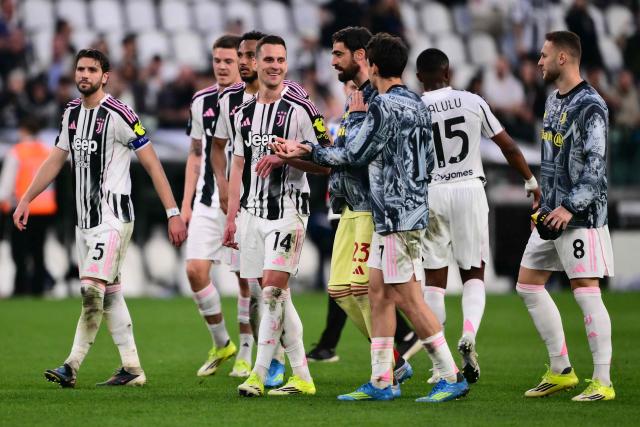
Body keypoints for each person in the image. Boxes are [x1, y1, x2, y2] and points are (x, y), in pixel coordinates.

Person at [272, 33, 469, 403]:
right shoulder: (416, 102)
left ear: (373, 66)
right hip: (399, 212)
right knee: (376, 293)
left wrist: (304, 148)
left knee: (408, 298)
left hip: (393, 215)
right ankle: (382, 379)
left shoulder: (383, 108)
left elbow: (354, 154)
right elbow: (428, 160)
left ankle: (450, 373)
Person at [12, 49, 187, 387]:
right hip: (85, 223)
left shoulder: (120, 114)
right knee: (110, 295)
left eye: (92, 70)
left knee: (91, 291)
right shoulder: (71, 114)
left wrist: (173, 213)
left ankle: (71, 365)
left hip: (113, 218)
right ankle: (132, 369)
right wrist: (26, 198)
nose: (84, 75)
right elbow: (55, 159)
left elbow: (152, 163)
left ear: (105, 76)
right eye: (80, 69)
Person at [416, 48, 541, 384]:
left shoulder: (415, 108)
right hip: (470, 189)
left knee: (435, 283)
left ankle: (438, 364)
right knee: (473, 276)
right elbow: (509, 146)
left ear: (419, 78)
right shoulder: (472, 101)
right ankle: (469, 333)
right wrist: (531, 181)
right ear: (449, 73)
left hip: (433, 193)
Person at [302, 27, 415, 390]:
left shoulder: (377, 100)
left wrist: (307, 151)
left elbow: (356, 153)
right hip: (347, 205)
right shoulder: (356, 97)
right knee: (339, 289)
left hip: (371, 205)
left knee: (362, 287)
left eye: (338, 54)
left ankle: (387, 366)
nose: (333, 61)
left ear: (361, 56)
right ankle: (395, 356)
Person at [222, 35, 331, 397]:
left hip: (288, 211)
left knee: (270, 291)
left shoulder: (302, 109)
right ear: (255, 62)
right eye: (267, 59)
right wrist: (231, 218)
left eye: (280, 60)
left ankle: (258, 373)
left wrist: (287, 157)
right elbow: (236, 166)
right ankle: (302, 376)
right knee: (276, 295)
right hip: (253, 215)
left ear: (286, 63)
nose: (274, 66)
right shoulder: (242, 114)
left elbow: (328, 162)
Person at [517, 30, 615, 401]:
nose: (538, 62)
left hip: (580, 216)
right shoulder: (553, 100)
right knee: (527, 283)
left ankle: (603, 382)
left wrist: (569, 206)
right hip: (551, 214)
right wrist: (544, 198)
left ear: (563, 58)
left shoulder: (591, 105)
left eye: (544, 55)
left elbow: (595, 169)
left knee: (586, 292)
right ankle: (561, 370)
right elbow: (552, 157)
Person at [182, 34, 255, 378]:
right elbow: (196, 155)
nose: (223, 67)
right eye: (217, 61)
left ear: (241, 62)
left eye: (229, 60)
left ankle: (246, 351)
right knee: (195, 271)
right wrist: (184, 208)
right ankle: (221, 342)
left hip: (243, 204)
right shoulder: (201, 101)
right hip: (208, 202)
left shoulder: (253, 98)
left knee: (246, 280)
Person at [0, 116, 57, 296]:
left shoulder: (16, 152)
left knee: (19, 252)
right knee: (38, 251)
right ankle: (38, 288)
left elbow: (7, 184)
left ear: (23, 130)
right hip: (45, 209)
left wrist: (4, 202)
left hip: (22, 209)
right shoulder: (46, 151)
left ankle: (21, 287)